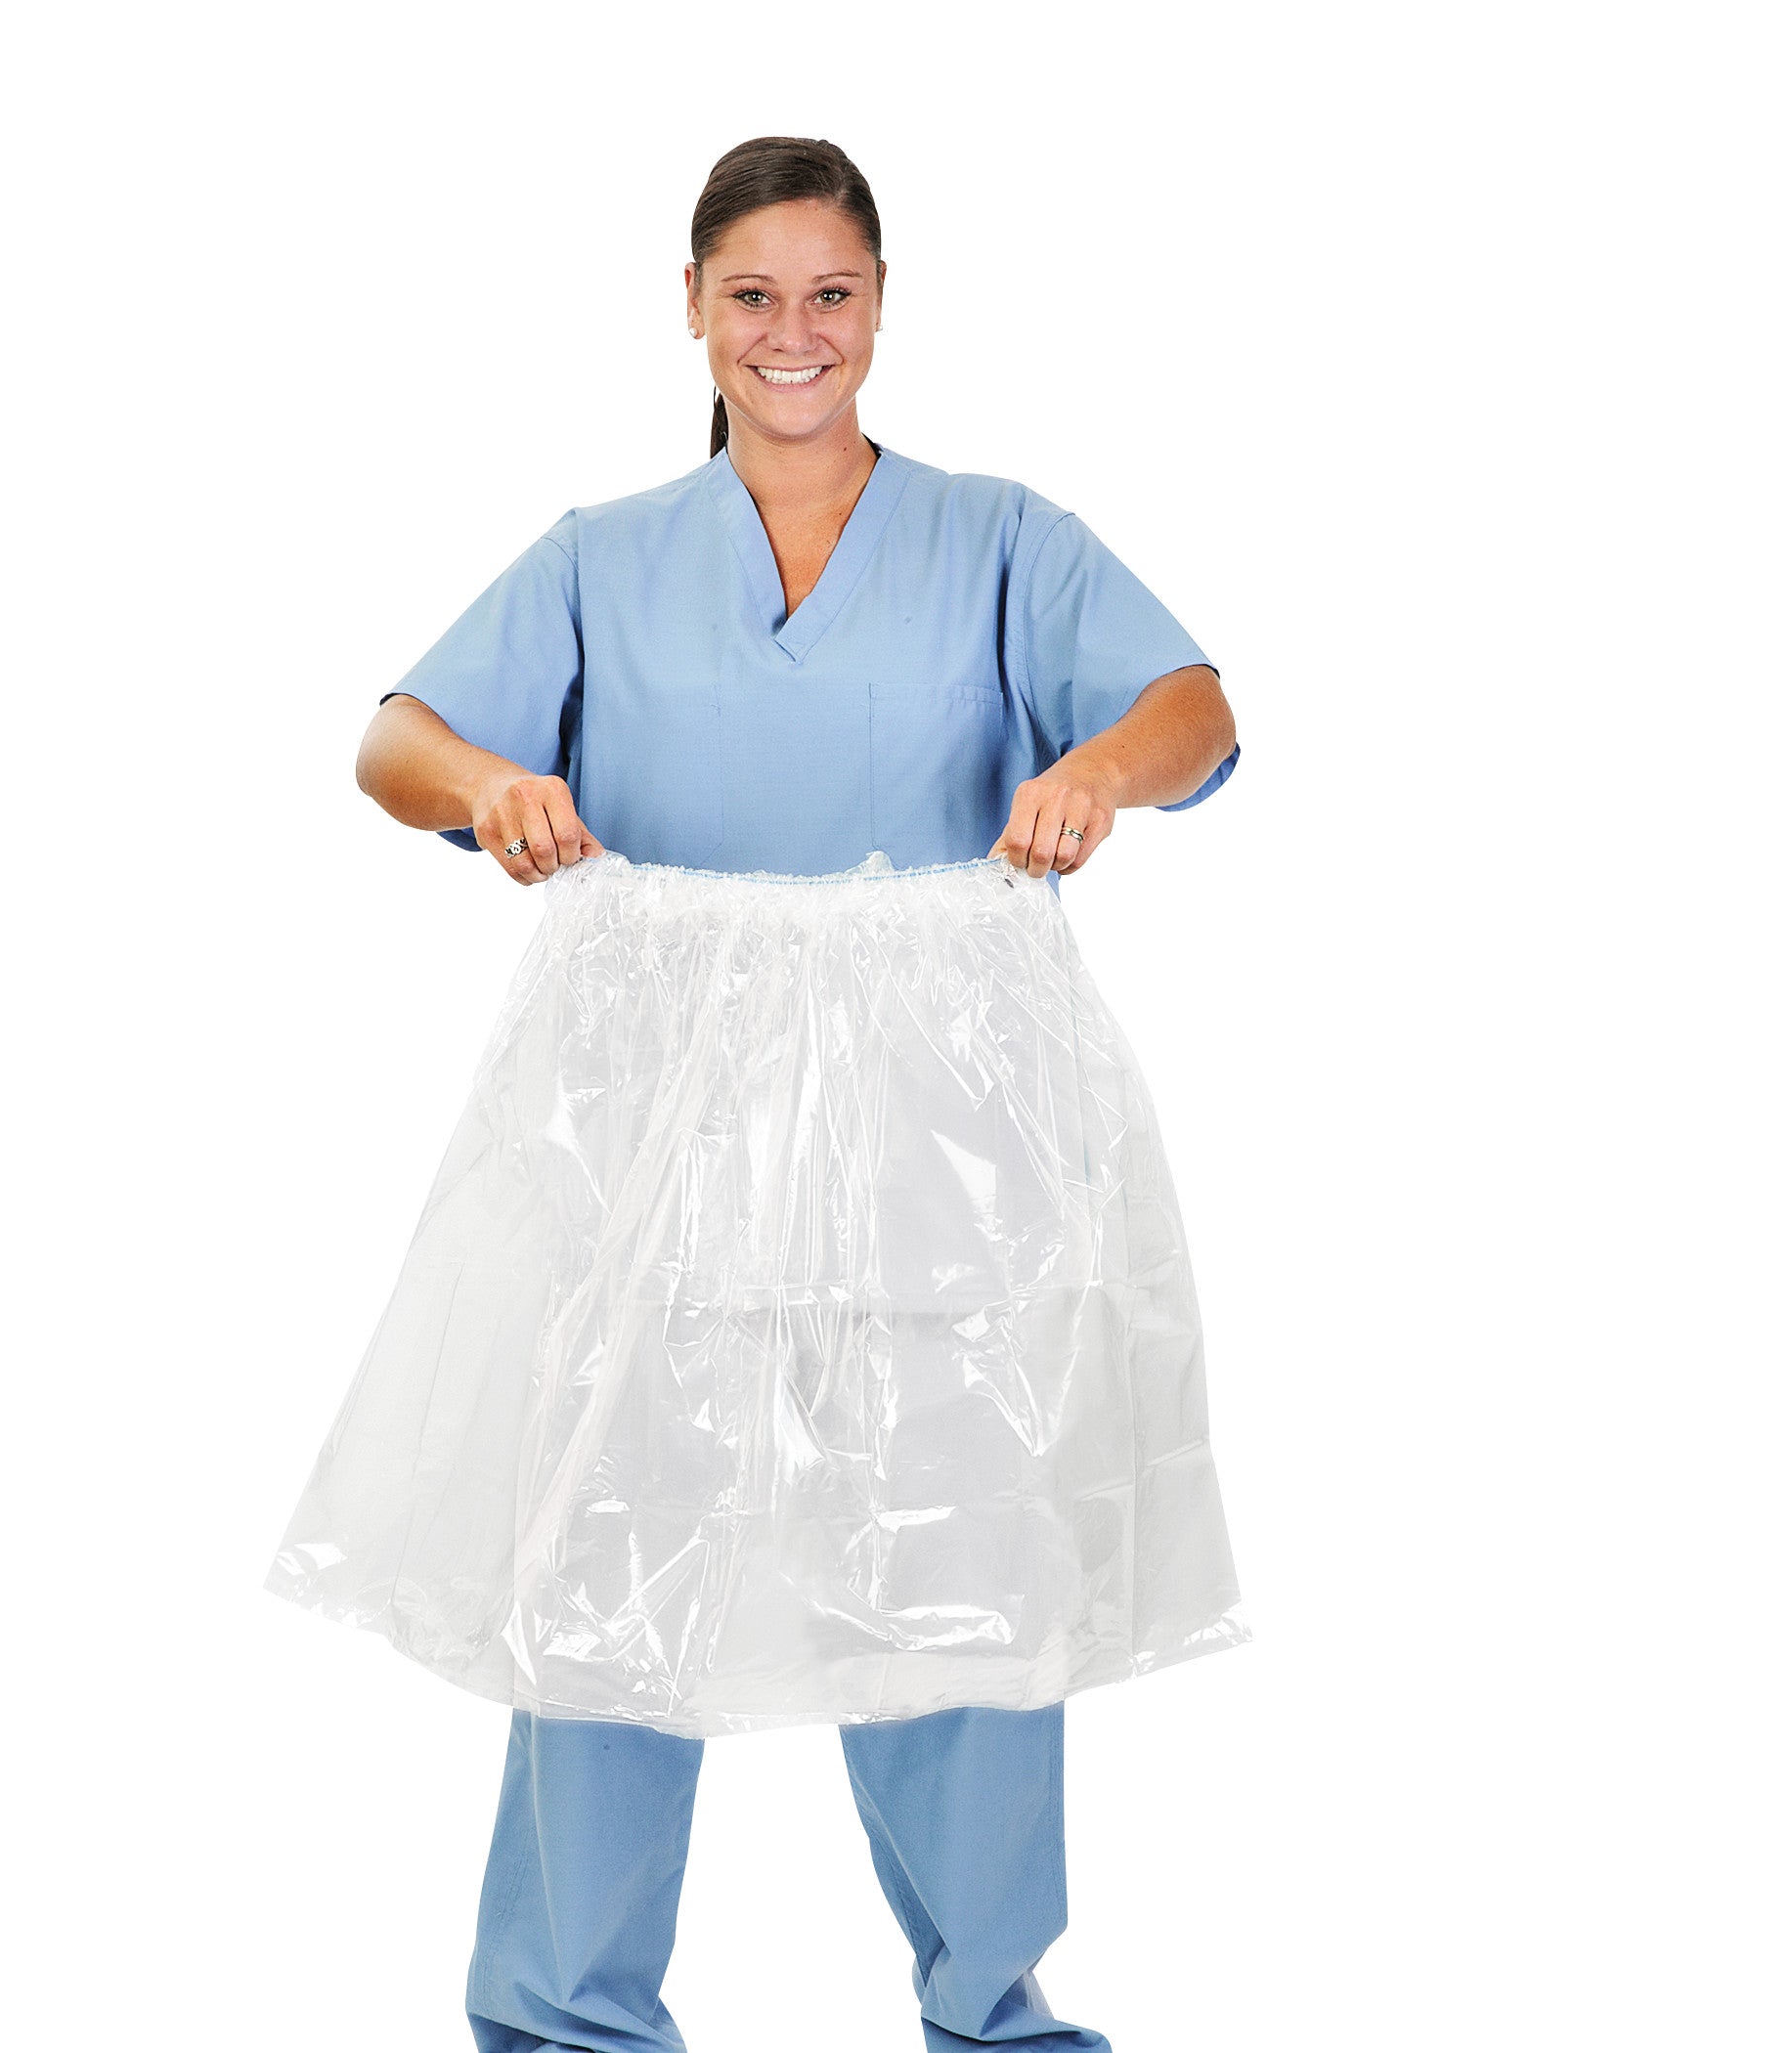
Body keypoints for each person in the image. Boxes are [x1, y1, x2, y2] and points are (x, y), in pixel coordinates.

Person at [350, 136, 1240, 2053]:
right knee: (603, 1565)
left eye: (830, 292)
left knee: (958, 1569)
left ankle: (996, 2014)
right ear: (691, 308)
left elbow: (1197, 707)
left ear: (882, 307)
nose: (793, 333)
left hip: (935, 1138)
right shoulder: (602, 557)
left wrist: (1102, 771)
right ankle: (567, 2020)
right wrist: (486, 786)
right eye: (752, 294)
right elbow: (396, 734)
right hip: (655, 1133)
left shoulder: (1001, 537)